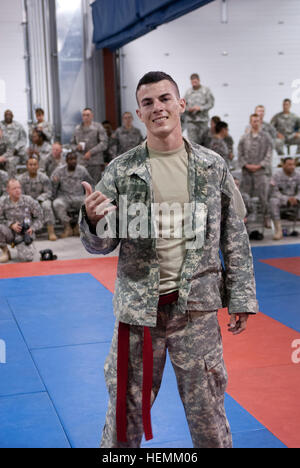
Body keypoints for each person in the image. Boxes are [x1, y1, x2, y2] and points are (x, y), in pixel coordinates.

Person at [79, 71, 258, 448]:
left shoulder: (212, 166)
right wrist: (93, 222)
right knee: (124, 414)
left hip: (196, 312)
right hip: (138, 316)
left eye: (164, 99)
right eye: (148, 103)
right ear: (139, 113)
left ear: (181, 104)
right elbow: (102, 245)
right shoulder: (121, 171)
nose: (157, 108)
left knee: (208, 412)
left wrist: (241, 297)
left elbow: (234, 235)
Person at [238, 114, 273, 229]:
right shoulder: (244, 138)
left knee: (263, 197)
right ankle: (244, 219)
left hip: (260, 172)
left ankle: (266, 218)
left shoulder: (266, 137)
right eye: (253, 121)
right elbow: (240, 153)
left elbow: (269, 153)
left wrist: (260, 165)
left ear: (260, 122)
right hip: (247, 172)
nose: (255, 123)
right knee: (245, 197)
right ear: (250, 122)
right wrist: (246, 165)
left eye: (257, 121)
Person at [52, 151, 93, 238]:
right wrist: (55, 182)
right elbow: (52, 185)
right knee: (57, 204)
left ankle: (79, 227)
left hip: (79, 196)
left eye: (74, 159)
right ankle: (67, 227)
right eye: (70, 159)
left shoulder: (82, 170)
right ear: (66, 160)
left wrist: (89, 196)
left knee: (87, 203)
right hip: (64, 197)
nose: (73, 161)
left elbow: (91, 184)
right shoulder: (59, 170)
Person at [0, 179, 43, 263]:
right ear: (8, 190)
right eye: (14, 188)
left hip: (25, 234)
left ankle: (26, 248)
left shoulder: (29, 200)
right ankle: (5, 251)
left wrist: (33, 228)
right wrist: (11, 224)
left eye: (19, 188)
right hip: (10, 232)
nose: (17, 190)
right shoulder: (2, 202)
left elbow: (40, 218)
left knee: (27, 258)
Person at [18, 155, 57, 241]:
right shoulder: (21, 179)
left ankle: (51, 231)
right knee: (22, 208)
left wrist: (38, 201)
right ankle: (27, 230)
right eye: (30, 164)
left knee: (47, 205)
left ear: (38, 166)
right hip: (27, 202)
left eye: (35, 164)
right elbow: (21, 194)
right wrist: (30, 203)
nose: (33, 166)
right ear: (27, 166)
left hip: (40, 201)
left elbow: (48, 192)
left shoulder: (44, 178)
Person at [70, 108, 108, 185]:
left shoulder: (98, 127)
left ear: (92, 116)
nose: (86, 117)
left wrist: (91, 152)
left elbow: (104, 143)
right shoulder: (77, 129)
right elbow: (71, 144)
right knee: (82, 186)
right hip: (81, 163)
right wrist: (76, 147)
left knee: (95, 186)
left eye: (88, 115)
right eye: (84, 115)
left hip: (95, 163)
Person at [269, 157, 300, 240]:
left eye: (293, 164)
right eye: (289, 164)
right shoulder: (277, 175)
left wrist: (296, 198)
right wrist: (287, 199)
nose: (292, 166)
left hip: (295, 199)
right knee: (273, 201)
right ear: (283, 165)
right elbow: (274, 191)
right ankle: (278, 230)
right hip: (282, 199)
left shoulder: (298, 175)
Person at [183, 73, 215, 145]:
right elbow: (183, 105)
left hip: (203, 121)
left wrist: (200, 108)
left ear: (199, 80)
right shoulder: (188, 92)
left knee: (204, 144)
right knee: (192, 144)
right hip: (191, 122)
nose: (194, 83)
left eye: (195, 81)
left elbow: (211, 103)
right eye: (192, 82)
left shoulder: (206, 91)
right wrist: (189, 109)